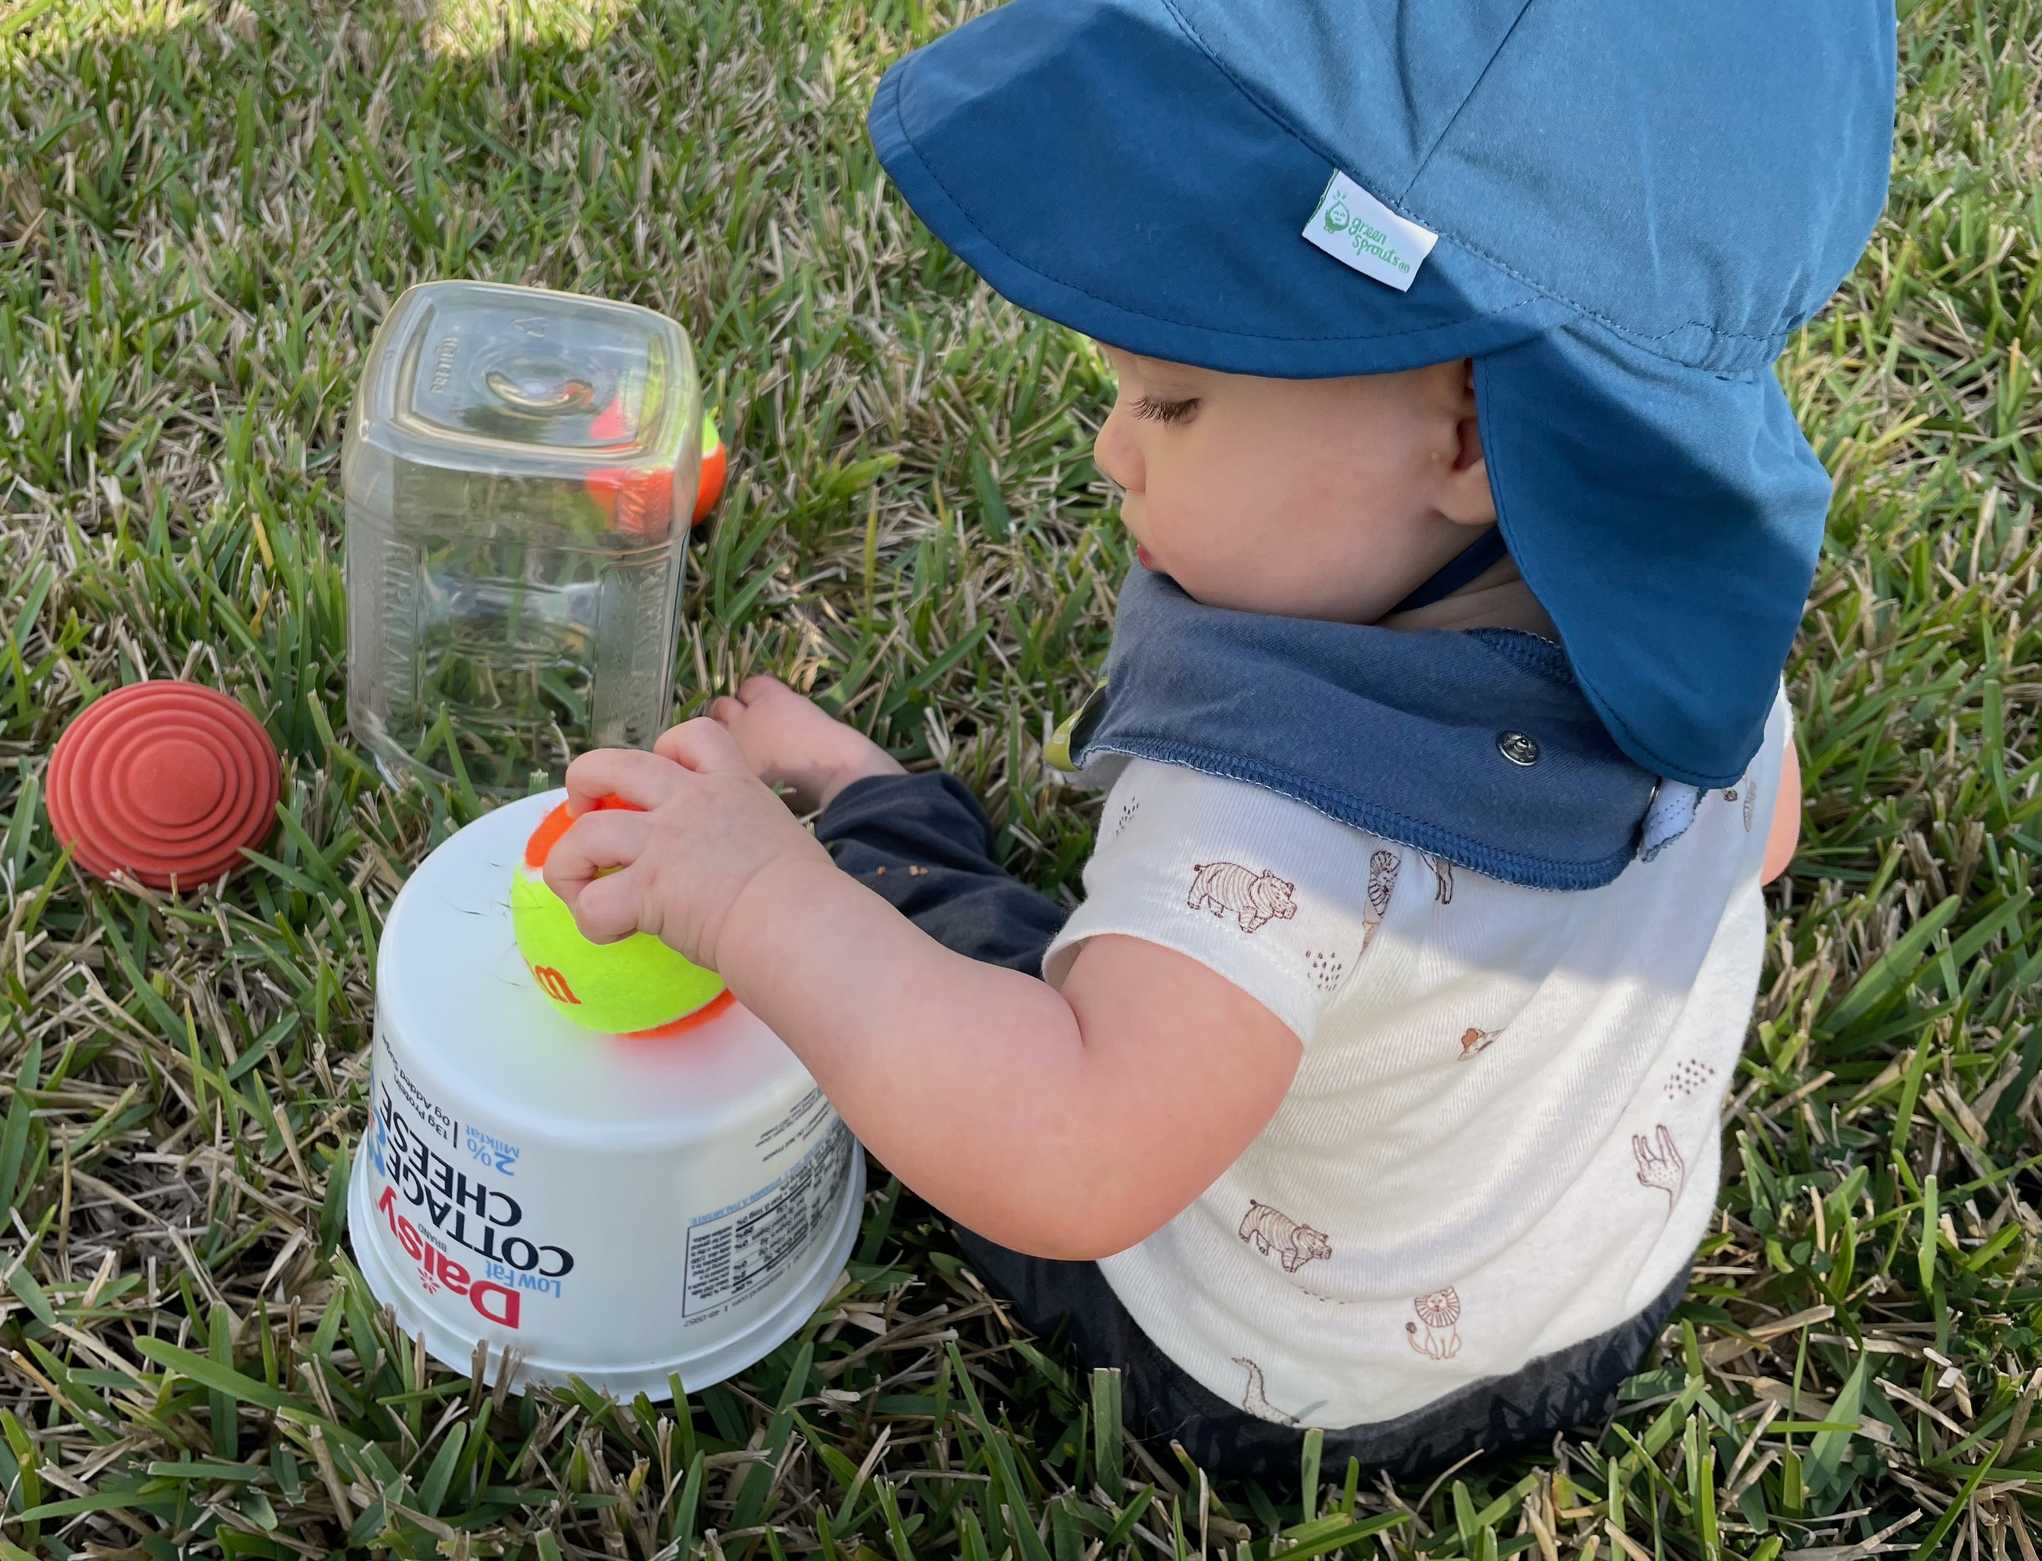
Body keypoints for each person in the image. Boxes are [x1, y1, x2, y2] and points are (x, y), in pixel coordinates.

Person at [542, 0, 1896, 1481]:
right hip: (1600, 1292)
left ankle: (880, 824)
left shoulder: (1267, 798)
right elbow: (1753, 840)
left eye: (1174, 399)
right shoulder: (1689, 632)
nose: (1112, 446)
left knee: (951, 997)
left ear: (1470, 436)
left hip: (1286, 1382)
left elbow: (1071, 1156)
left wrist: (753, 896)